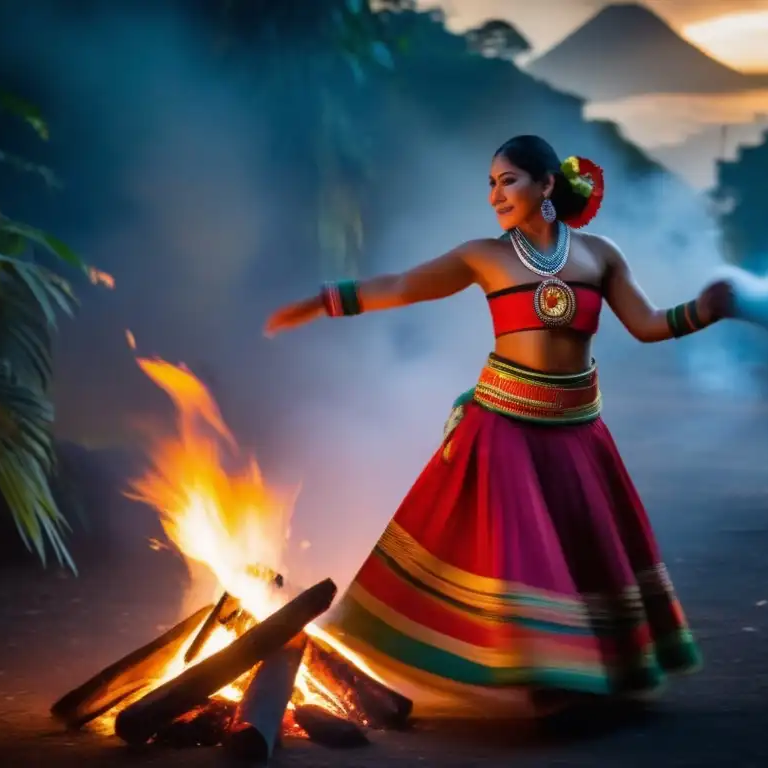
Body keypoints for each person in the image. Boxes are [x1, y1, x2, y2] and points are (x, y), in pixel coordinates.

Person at [265, 135, 736, 719]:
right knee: (527, 552)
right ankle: (552, 684)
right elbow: (404, 286)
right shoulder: (482, 255)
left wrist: (704, 311)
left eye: (507, 180)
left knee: (579, 553)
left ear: (546, 185)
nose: (495, 194)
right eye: (490, 183)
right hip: (504, 424)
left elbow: (647, 324)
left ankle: (585, 675)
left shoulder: (600, 255)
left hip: (577, 431)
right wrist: (320, 301)